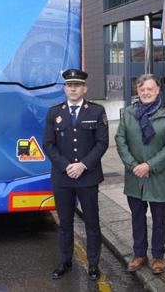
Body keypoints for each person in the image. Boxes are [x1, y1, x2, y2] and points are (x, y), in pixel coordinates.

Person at [43, 68, 109, 281]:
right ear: (65, 88)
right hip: (63, 178)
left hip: (88, 177)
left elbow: (102, 143)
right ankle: (65, 261)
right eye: (70, 85)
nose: (73, 88)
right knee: (65, 223)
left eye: (77, 85)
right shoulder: (54, 112)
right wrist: (66, 166)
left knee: (92, 222)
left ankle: (93, 265)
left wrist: (83, 165)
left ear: (84, 88)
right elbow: (48, 144)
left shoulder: (96, 112)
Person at [115, 74, 165, 275]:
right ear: (138, 91)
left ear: (158, 90)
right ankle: (140, 254)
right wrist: (133, 165)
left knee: (159, 219)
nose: (146, 92)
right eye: (142, 89)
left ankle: (158, 256)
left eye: (150, 88)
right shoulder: (128, 113)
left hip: (158, 176)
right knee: (137, 217)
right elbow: (120, 140)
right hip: (134, 175)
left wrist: (149, 165)